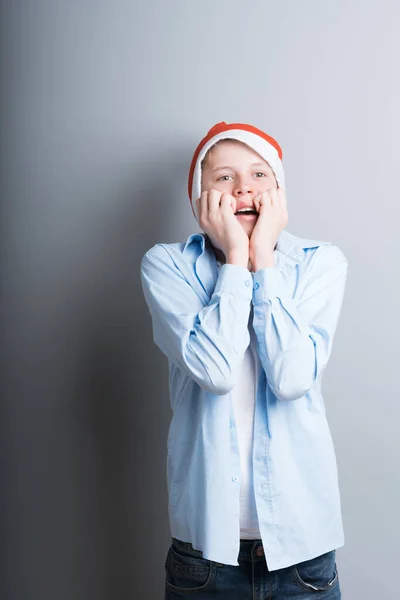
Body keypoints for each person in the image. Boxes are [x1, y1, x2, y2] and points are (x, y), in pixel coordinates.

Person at [140, 121, 348, 599]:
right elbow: (214, 371)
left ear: (278, 192)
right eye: (225, 178)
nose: (244, 189)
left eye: (259, 176)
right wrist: (237, 258)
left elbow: (292, 377)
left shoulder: (320, 262)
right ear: (199, 198)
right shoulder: (166, 265)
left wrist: (265, 265)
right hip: (206, 555)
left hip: (303, 551)